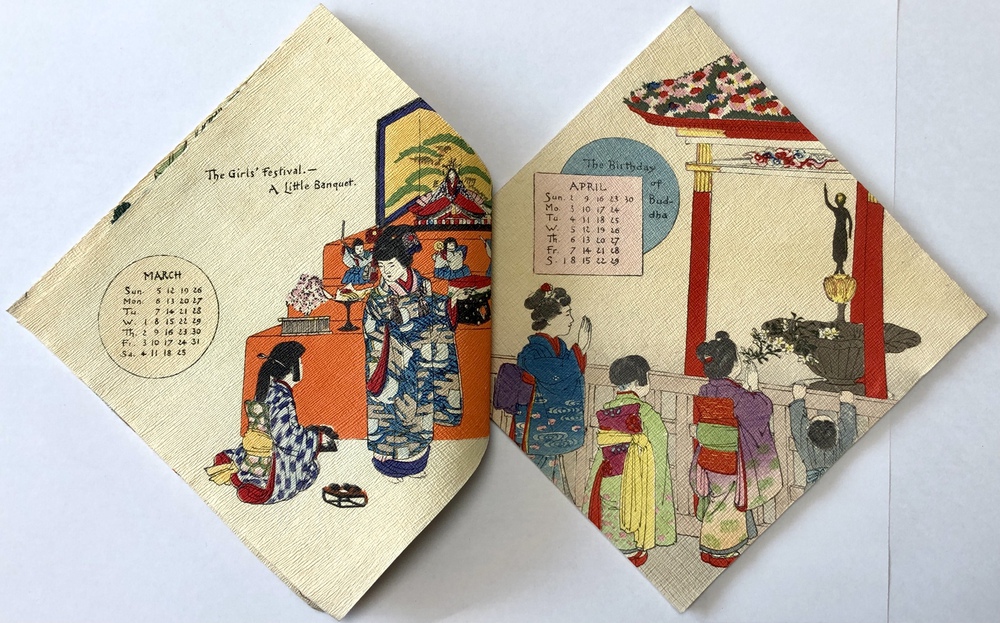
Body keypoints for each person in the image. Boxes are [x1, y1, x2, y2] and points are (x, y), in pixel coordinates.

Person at [364, 225, 462, 481]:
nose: (386, 272)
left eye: (391, 265)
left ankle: (416, 462)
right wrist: (399, 332)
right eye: (382, 266)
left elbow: (435, 309)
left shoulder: (424, 285)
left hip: (422, 359)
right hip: (393, 361)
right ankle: (388, 463)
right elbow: (375, 329)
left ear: (404, 262)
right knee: (391, 410)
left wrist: (449, 305)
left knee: (420, 411)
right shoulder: (377, 297)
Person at [690, 331, 782, 567]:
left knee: (717, 501)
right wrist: (755, 388)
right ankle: (720, 552)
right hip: (729, 461)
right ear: (734, 366)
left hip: (708, 457)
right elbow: (762, 410)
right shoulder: (737, 395)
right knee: (724, 507)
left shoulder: (705, 391)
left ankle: (710, 550)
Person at [206, 341, 338, 504]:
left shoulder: (270, 388)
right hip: (273, 467)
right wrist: (318, 438)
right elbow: (286, 438)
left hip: (258, 458)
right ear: (293, 368)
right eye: (300, 363)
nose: (302, 366)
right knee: (311, 469)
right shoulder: (280, 394)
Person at [582, 356, 676, 567]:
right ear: (636, 382)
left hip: (609, 471)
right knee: (633, 507)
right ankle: (630, 551)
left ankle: (611, 548)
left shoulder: (607, 410)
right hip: (636, 476)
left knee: (610, 507)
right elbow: (659, 444)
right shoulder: (645, 412)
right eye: (647, 377)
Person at [512, 283, 592, 501]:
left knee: (551, 480)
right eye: (567, 314)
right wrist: (580, 350)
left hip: (547, 426)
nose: (571, 319)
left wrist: (578, 352)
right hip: (534, 427)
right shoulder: (533, 351)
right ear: (550, 319)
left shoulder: (560, 347)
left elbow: (567, 374)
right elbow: (556, 376)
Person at [789, 383, 857, 489]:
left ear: (808, 430)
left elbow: (797, 425)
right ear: (836, 430)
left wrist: (798, 399)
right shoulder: (841, 447)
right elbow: (848, 429)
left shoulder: (805, 445)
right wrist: (846, 404)